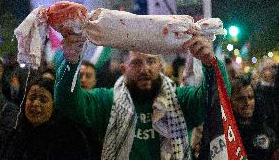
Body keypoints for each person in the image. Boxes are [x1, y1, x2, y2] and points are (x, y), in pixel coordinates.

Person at [54, 34, 230, 159]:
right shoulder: (107, 101)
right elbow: (66, 102)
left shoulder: (181, 99)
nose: (145, 69)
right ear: (124, 69)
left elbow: (218, 100)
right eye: (137, 63)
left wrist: (211, 63)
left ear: (161, 66)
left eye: (151, 61)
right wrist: (70, 62)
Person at [0, 76, 98, 160]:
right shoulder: (17, 133)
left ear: (54, 105)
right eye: (32, 98)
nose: (35, 104)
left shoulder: (69, 137)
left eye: (43, 100)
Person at [230, 75, 278, 160]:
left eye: (250, 97)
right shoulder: (226, 133)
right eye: (241, 99)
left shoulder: (266, 131)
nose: (247, 103)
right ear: (230, 102)